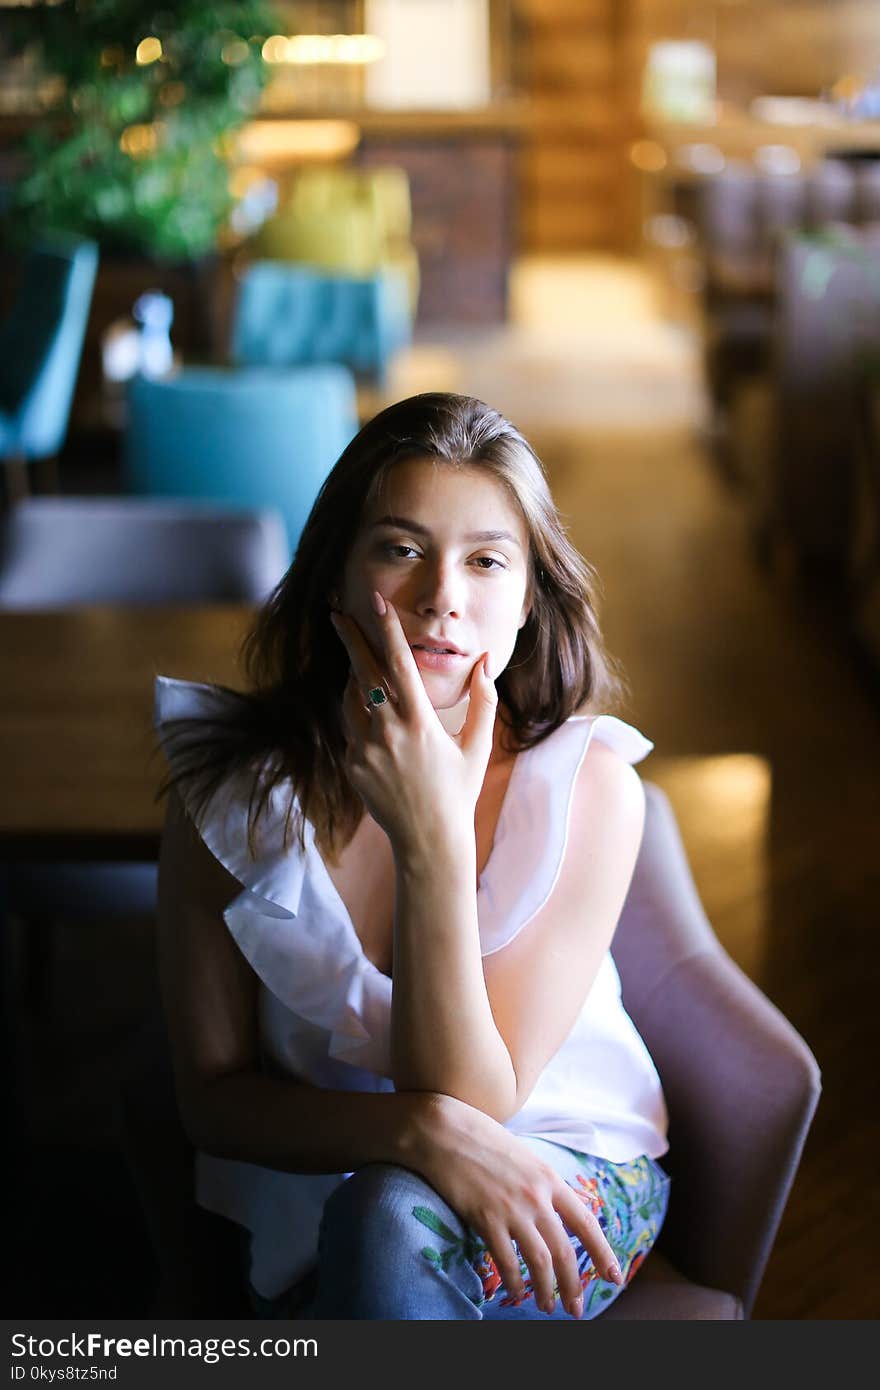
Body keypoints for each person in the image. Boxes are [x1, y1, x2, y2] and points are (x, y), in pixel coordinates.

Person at [154, 392, 670, 1321]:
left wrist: (430, 835)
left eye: (485, 561)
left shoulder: (589, 786)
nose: (441, 596)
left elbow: (479, 1099)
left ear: (526, 601)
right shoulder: (224, 794)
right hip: (335, 1178)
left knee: (390, 1220)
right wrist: (413, 1128)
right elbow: (211, 1100)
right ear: (336, 578)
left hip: (565, 1155)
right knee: (380, 1218)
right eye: (399, 548)